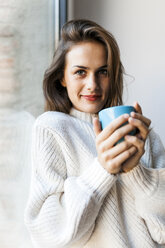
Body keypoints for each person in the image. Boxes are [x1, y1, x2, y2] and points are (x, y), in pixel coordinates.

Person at [24, 19, 165, 248]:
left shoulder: (143, 136)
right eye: (80, 72)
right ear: (62, 77)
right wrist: (103, 170)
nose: (93, 84)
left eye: (103, 72)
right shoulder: (51, 128)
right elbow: (47, 236)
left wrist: (135, 172)